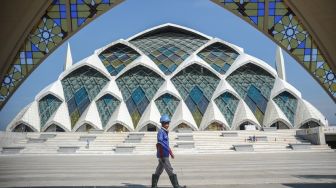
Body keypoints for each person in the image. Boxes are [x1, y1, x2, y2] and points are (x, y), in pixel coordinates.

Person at [151, 114, 186, 188]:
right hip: (163, 155)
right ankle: (176, 186)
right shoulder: (161, 132)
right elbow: (159, 144)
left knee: (159, 170)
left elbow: (166, 145)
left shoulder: (165, 132)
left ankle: (154, 185)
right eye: (165, 123)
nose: (167, 125)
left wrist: (171, 153)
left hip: (164, 154)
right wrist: (161, 155)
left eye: (168, 123)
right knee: (169, 169)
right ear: (162, 124)